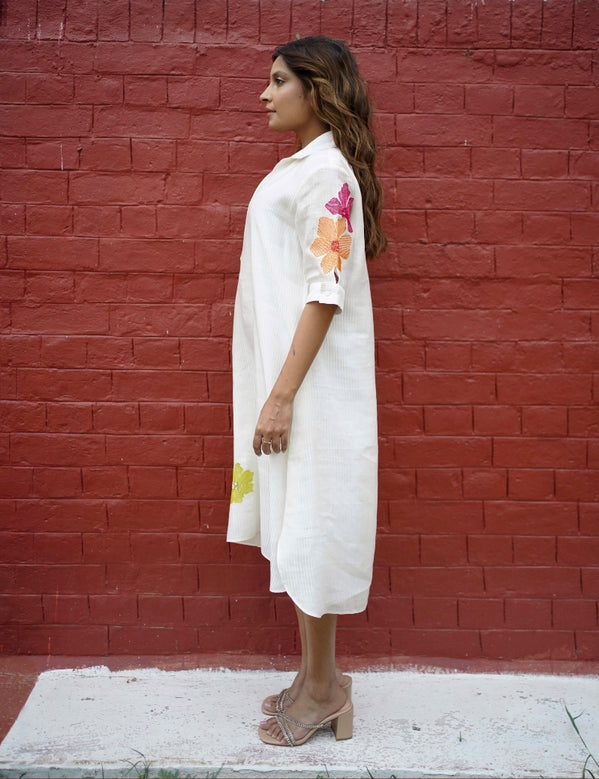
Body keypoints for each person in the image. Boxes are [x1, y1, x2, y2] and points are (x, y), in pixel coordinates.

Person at [227, 35, 387, 747]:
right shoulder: (305, 168)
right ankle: (314, 675)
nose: (264, 94)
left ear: (316, 90)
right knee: (299, 522)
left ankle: (323, 689)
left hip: (314, 392)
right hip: (294, 382)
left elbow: (324, 295)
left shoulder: (328, 177)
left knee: (313, 528)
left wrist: (283, 394)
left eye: (277, 81)